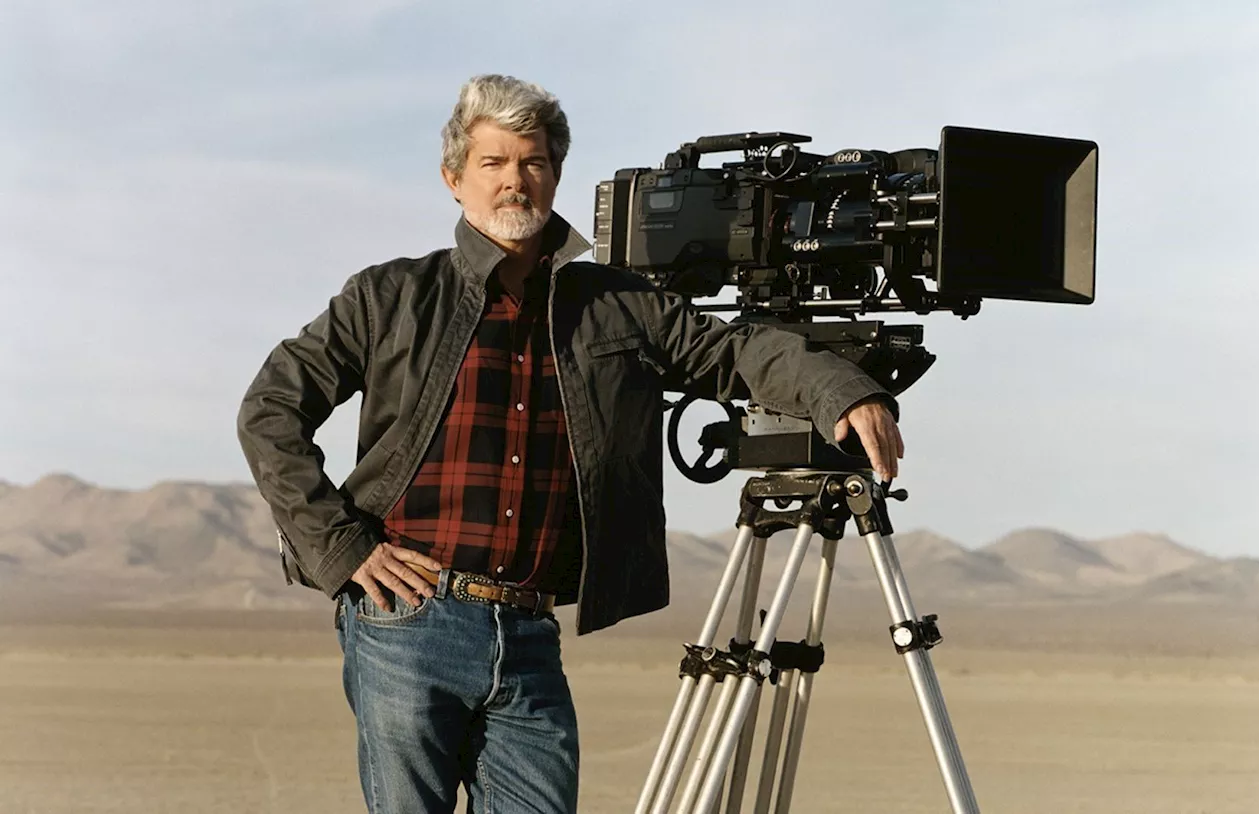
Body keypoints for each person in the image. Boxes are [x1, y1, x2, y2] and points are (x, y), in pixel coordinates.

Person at [236, 73, 904, 814]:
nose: (515, 182)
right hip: (408, 623)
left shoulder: (618, 304)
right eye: (493, 164)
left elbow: (735, 353)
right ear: (454, 179)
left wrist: (844, 388)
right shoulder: (390, 296)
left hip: (527, 631)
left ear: (555, 174)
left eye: (533, 162)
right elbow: (270, 409)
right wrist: (342, 549)